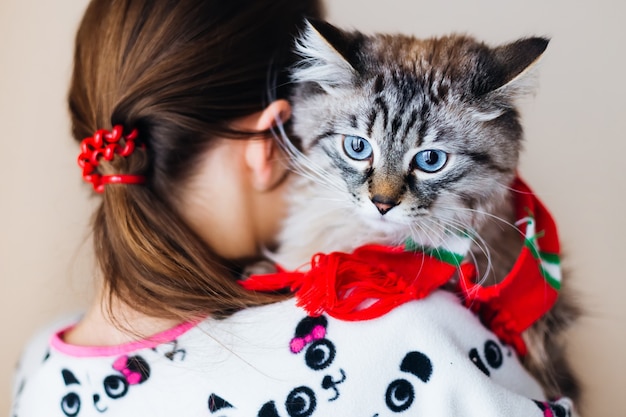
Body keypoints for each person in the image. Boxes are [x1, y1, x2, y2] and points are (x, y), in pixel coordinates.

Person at [10, 1, 577, 415]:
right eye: (354, 150)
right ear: (274, 137)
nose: (382, 196)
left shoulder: (36, 370)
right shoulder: (411, 340)